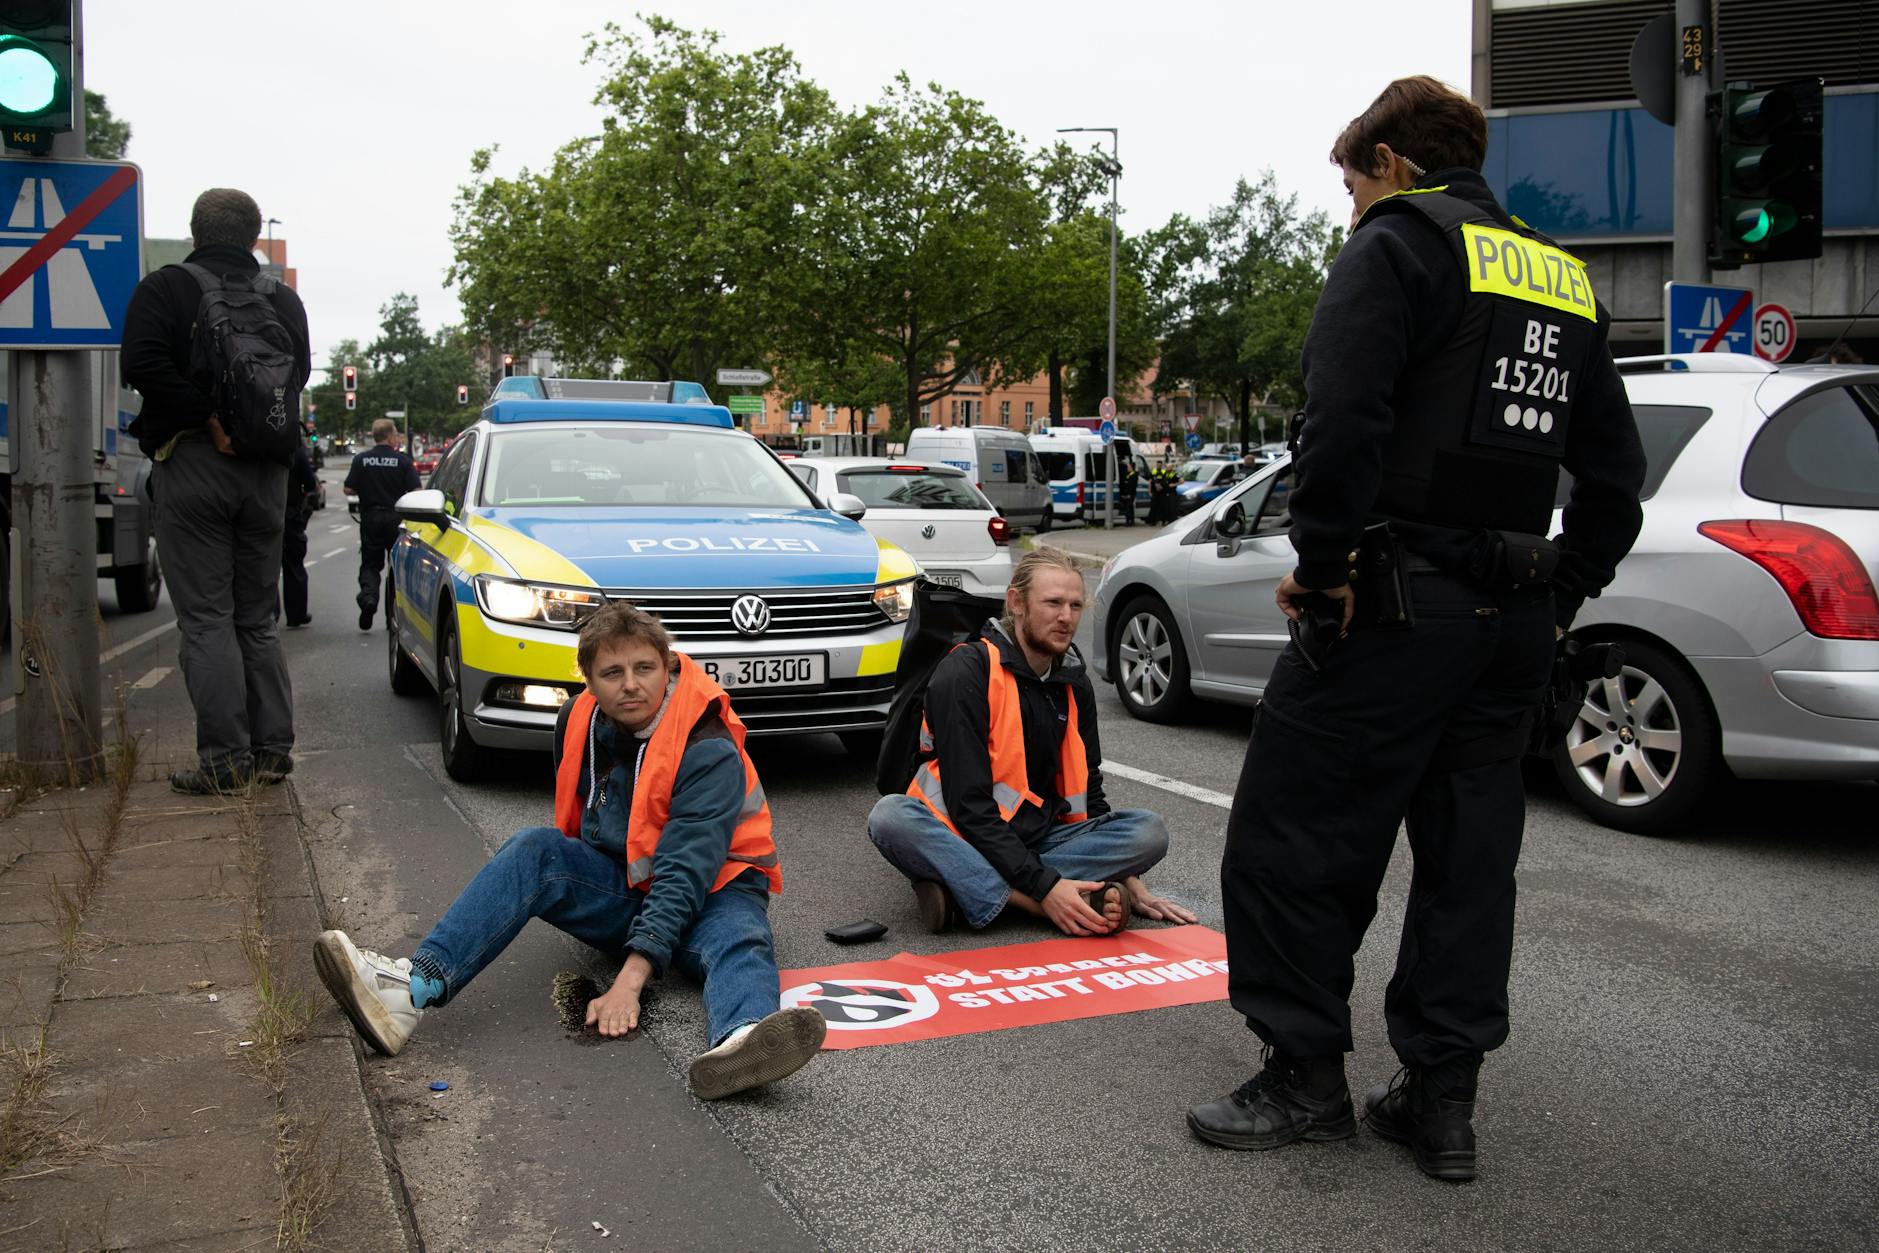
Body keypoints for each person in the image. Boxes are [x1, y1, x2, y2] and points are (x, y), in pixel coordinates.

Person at [1185, 76, 1645, 1182]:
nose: (1348, 208)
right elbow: (1613, 472)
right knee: (1466, 864)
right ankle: (1439, 1101)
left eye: (1349, 185)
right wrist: (1563, 587)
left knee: (1291, 839)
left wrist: (1322, 568)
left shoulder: (1394, 246)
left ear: (1388, 162)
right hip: (1511, 623)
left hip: (1395, 606)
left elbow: (1341, 421)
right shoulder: (1557, 274)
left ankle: (1302, 1075)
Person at [313, 600, 826, 1099]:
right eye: (613, 672)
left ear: (669, 667)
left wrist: (630, 979)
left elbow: (685, 872)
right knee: (534, 849)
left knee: (738, 936)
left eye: (645, 667)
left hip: (719, 885)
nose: (631, 684)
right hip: (629, 884)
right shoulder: (579, 721)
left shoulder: (705, 743)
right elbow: (589, 831)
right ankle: (410, 992)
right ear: (587, 679)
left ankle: (743, 1039)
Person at [867, 549, 1194, 936]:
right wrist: (1046, 889)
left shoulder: (1073, 681)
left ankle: (966, 888)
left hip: (1042, 837)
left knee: (1148, 831)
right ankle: (1034, 905)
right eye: (1053, 603)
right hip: (960, 830)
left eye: (1075, 605)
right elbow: (970, 808)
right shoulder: (966, 672)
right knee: (890, 818)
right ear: (1016, 603)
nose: (1066, 617)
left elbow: (1089, 794)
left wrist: (1131, 878)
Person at [120, 188, 311, 794]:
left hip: (196, 464)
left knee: (206, 621)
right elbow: (297, 374)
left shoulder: (166, 288)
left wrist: (208, 418)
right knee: (257, 619)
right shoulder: (283, 299)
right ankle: (273, 750)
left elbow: (144, 366)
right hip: (266, 474)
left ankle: (224, 762)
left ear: (195, 231)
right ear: (254, 237)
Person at [346, 418, 420, 630]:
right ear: (389, 436)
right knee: (395, 567)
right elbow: (416, 491)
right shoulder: (403, 461)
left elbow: (348, 489)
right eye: (396, 434)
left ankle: (369, 598)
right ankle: (392, 616)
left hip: (370, 518)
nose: (397, 438)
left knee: (370, 564)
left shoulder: (361, 460)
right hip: (395, 519)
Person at [280, 439, 317, 628]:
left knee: (260, 568)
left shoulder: (256, 445)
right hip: (289, 515)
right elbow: (311, 485)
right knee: (294, 567)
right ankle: (296, 614)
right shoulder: (295, 451)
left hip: (259, 513)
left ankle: (267, 615)